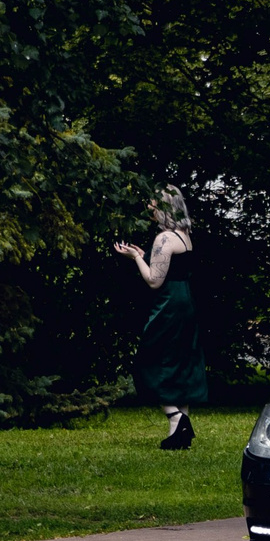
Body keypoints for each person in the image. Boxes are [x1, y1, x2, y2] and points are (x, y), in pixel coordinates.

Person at [115, 185, 206, 449]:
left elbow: (154, 280)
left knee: (152, 359)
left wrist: (135, 257)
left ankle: (176, 417)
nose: (149, 208)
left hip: (169, 304)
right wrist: (145, 256)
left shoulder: (164, 238)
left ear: (165, 206)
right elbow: (171, 269)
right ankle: (180, 432)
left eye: (153, 204)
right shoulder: (185, 234)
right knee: (180, 362)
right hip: (185, 299)